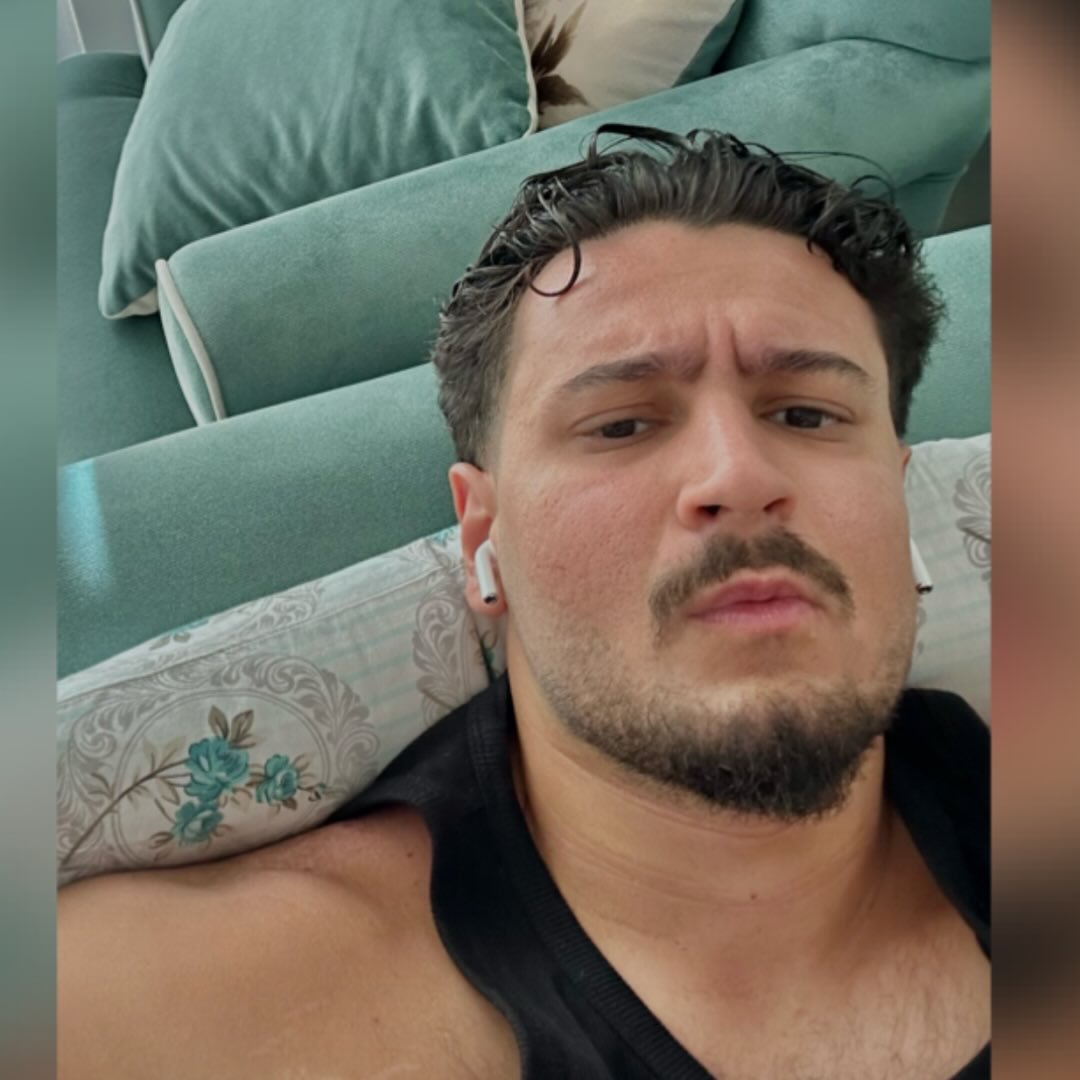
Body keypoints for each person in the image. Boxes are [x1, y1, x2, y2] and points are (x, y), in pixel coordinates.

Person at [58, 126, 989, 1079]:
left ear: (897, 493)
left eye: (806, 413)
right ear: (481, 540)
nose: (738, 475)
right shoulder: (182, 1008)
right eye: (620, 424)